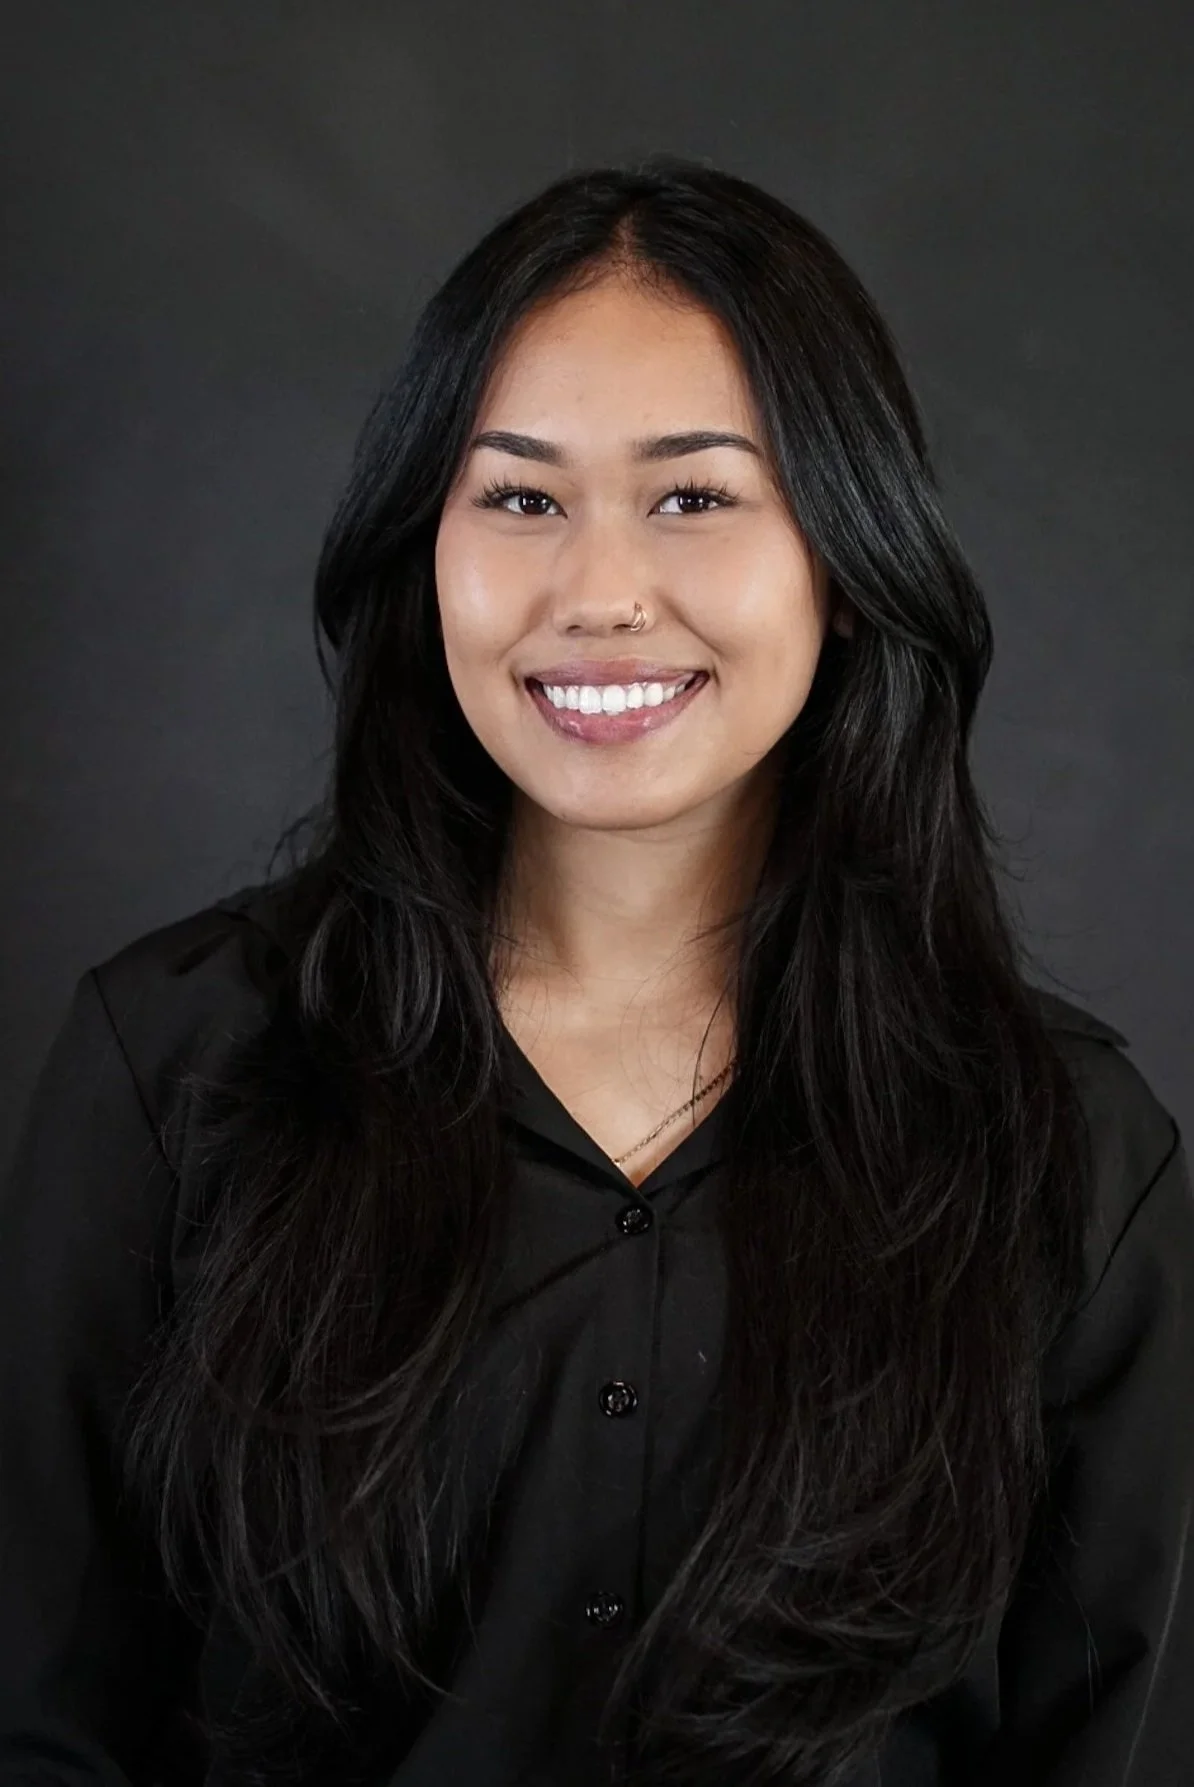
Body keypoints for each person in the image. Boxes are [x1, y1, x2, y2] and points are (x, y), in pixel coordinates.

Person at [1, 154, 1191, 1787]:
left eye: (694, 495)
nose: (600, 593)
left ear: (843, 559)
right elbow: (45, 1720)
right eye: (520, 496)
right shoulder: (173, 1068)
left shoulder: (1069, 1154)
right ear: (426, 544)